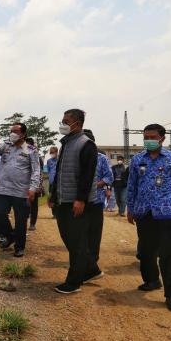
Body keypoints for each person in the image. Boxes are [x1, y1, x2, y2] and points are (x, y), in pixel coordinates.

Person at [126, 124, 171, 312]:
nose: (149, 140)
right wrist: (130, 207)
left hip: (170, 212)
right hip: (145, 212)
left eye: (152, 137)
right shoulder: (137, 159)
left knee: (170, 254)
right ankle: (152, 280)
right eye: (146, 137)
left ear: (162, 138)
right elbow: (132, 185)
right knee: (145, 251)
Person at [49, 109, 99, 294]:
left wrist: (81, 199)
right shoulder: (66, 143)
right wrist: (54, 196)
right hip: (64, 199)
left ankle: (73, 282)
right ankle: (92, 270)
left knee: (76, 243)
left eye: (65, 121)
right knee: (69, 239)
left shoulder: (86, 144)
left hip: (77, 202)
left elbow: (87, 175)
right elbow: (61, 173)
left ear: (77, 123)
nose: (62, 124)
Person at [0, 123, 40, 257]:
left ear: (23, 134)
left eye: (15, 131)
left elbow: (36, 171)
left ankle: (19, 247)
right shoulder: (5, 146)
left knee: (21, 221)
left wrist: (33, 188)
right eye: (11, 131)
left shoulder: (30, 149)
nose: (12, 134)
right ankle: (10, 236)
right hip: (3, 189)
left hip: (21, 191)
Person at [84, 129, 113, 272]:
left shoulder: (102, 158)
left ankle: (92, 262)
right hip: (78, 200)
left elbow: (109, 177)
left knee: (94, 233)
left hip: (96, 201)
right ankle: (83, 261)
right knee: (80, 233)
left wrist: (94, 185)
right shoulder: (74, 157)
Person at [25, 137, 44, 231]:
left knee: (33, 205)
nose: (27, 146)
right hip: (23, 184)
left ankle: (32, 223)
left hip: (34, 184)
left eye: (30, 144)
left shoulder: (38, 158)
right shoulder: (22, 155)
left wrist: (37, 186)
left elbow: (39, 173)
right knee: (25, 205)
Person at [47, 146, 59, 217]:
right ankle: (54, 213)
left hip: (58, 182)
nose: (52, 154)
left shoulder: (60, 160)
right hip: (51, 183)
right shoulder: (49, 161)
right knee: (51, 197)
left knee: (58, 197)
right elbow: (49, 171)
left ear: (57, 152)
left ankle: (58, 213)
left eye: (53, 152)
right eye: (51, 153)